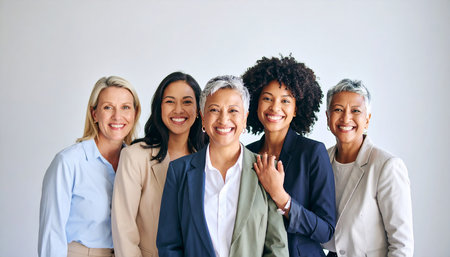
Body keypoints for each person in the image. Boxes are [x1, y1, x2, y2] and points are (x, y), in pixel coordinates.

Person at [156, 75, 288, 257]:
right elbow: (169, 244)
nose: (223, 119)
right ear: (202, 117)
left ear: (245, 119)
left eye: (233, 111)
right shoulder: (179, 171)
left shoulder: (265, 168)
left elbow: (277, 246)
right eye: (214, 110)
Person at [242, 55, 336, 257]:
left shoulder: (312, 153)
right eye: (267, 98)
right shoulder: (246, 154)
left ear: (296, 109)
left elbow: (326, 230)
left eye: (285, 100)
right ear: (256, 103)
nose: (275, 107)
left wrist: (282, 198)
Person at [38, 76, 141, 257]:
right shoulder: (68, 162)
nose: (117, 116)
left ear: (134, 113)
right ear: (94, 114)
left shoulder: (137, 162)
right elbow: (51, 234)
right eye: (108, 107)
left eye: (125, 107)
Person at [111, 72, 205, 257]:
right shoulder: (134, 156)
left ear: (199, 110)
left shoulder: (207, 159)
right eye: (170, 101)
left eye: (187, 102)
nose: (178, 110)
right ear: (159, 107)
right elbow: (123, 229)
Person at [322, 79, 414, 257]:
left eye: (355, 111)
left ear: (367, 119)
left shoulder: (387, 166)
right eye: (338, 110)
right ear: (328, 117)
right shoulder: (321, 160)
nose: (346, 118)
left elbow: (401, 245)